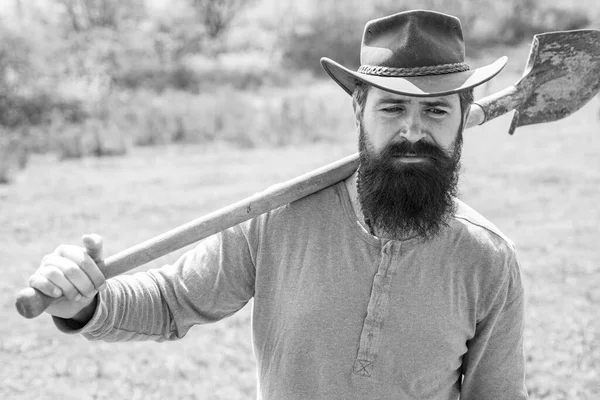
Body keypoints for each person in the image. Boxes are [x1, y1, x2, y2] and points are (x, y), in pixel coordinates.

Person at [27, 10, 529, 400]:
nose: (413, 132)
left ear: (463, 117)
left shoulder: (488, 261)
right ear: (359, 107)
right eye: (393, 107)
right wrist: (88, 303)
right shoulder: (277, 218)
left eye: (437, 110)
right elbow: (173, 299)